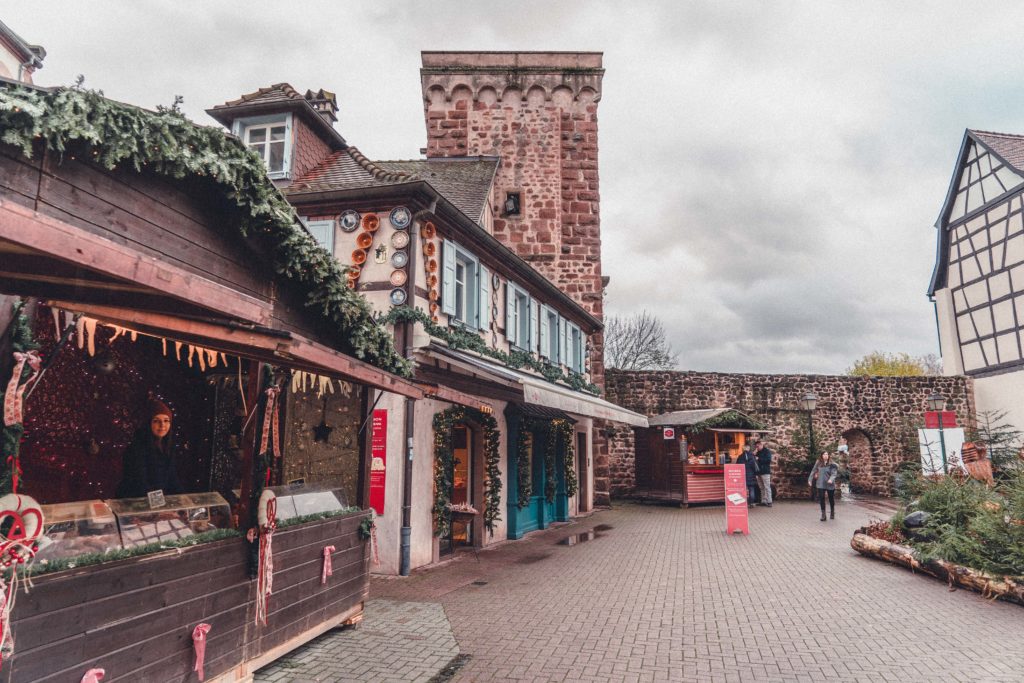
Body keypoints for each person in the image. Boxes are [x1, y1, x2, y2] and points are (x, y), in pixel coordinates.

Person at [116, 399, 183, 498]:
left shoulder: (168, 447)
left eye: (166, 420)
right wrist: (161, 508)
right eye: (156, 421)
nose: (162, 425)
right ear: (148, 423)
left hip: (155, 504)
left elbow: (172, 479)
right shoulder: (136, 449)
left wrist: (184, 500)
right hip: (135, 503)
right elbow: (141, 485)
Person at [808, 451, 839, 521]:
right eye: (824, 454)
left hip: (830, 484)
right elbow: (813, 471)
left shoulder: (832, 464)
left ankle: (832, 512)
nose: (826, 455)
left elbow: (834, 474)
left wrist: (831, 479)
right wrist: (810, 479)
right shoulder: (818, 463)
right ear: (821, 455)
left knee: (831, 498)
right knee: (821, 498)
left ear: (828, 456)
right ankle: (823, 515)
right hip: (820, 483)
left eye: (827, 454)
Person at [754, 439, 774, 507]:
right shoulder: (757, 452)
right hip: (758, 472)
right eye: (756, 447)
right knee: (761, 487)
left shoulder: (767, 451)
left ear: (761, 445)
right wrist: (754, 454)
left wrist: (758, 458)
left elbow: (768, 460)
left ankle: (769, 501)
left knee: (767, 486)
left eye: (757, 446)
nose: (757, 448)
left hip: (765, 472)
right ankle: (763, 501)